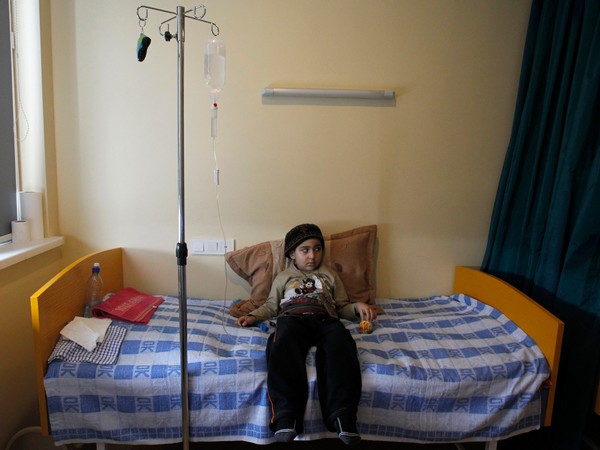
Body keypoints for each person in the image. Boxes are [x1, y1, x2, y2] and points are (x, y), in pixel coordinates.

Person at [237, 223, 377, 446]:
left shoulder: (329, 275)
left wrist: (357, 307)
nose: (313, 255)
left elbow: (341, 306)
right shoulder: (284, 277)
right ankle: (287, 416)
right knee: (281, 345)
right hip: (293, 319)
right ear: (292, 253)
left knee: (342, 345)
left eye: (318, 249)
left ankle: (342, 416)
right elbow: (272, 305)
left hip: (326, 319)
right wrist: (254, 316)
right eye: (305, 250)